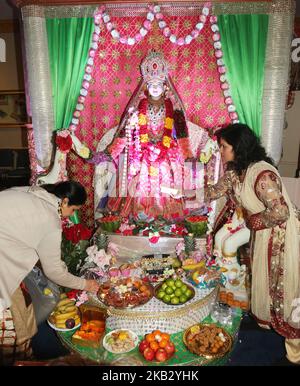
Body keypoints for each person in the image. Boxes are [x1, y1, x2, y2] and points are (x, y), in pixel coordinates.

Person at [204, 123, 300, 364]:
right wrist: (181, 192)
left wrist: (250, 220)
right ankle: (271, 327)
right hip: (264, 235)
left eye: (224, 147)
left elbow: (280, 212)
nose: (221, 151)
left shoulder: (262, 174)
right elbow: (213, 192)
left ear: (238, 147)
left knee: (283, 293)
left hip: (281, 239)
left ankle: (295, 354)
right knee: (266, 286)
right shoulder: (237, 172)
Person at [92, 51, 213, 222]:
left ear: (165, 86)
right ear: (146, 87)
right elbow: (122, 137)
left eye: (158, 84)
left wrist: (190, 159)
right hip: (141, 157)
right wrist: (107, 154)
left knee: (169, 178)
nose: (155, 88)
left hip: (168, 158)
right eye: (151, 84)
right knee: (137, 183)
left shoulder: (175, 111)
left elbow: (183, 139)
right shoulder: (136, 110)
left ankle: (166, 224)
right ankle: (139, 222)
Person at [0, 181, 99, 365]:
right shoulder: (50, 218)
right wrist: (86, 284)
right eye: (74, 209)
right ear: (65, 201)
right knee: (15, 337)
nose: (73, 214)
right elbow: (54, 272)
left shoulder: (31, 191)